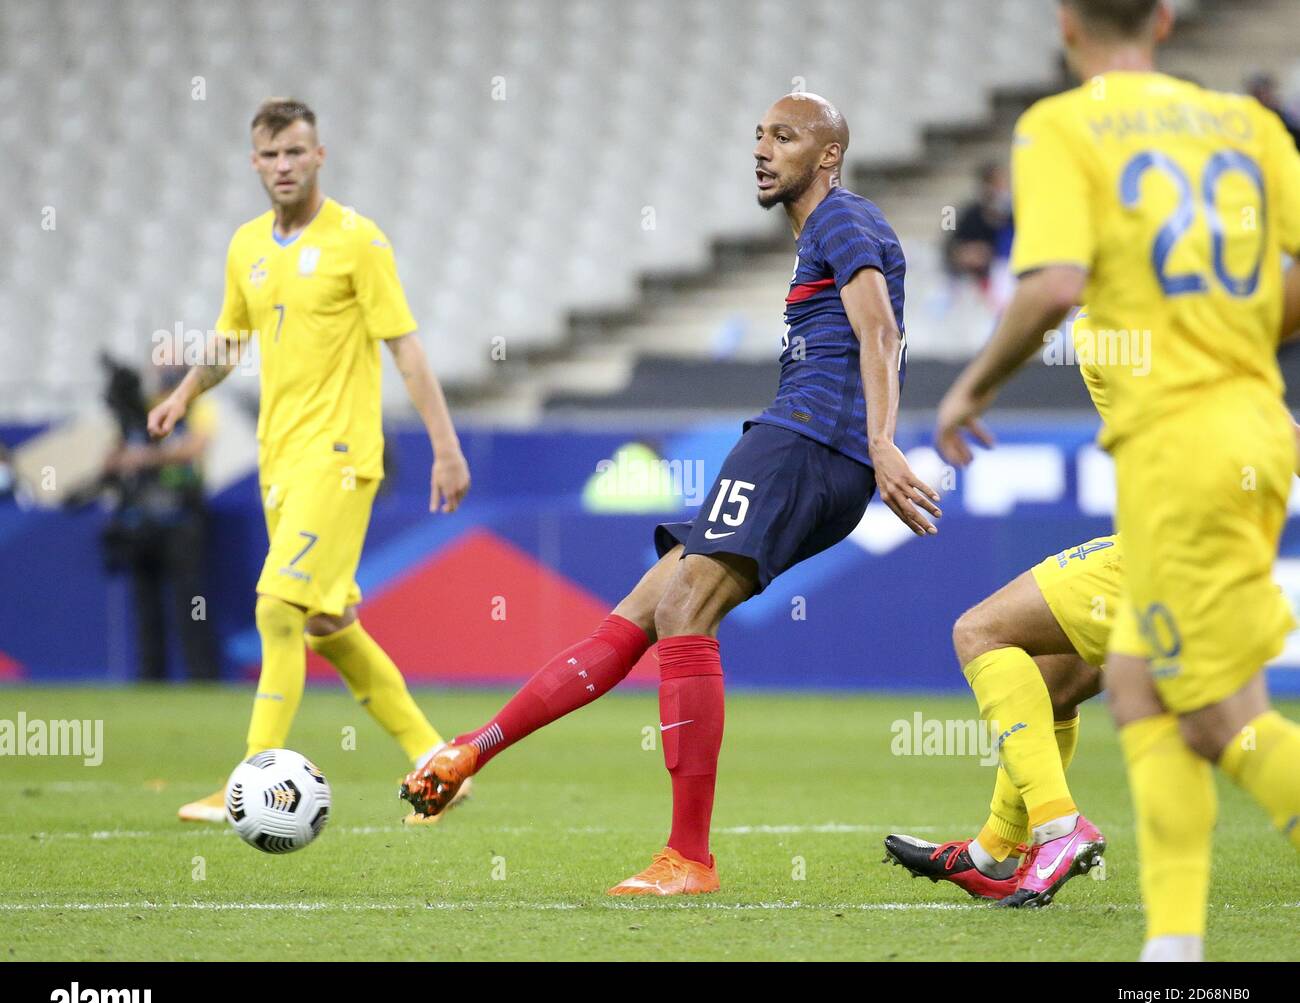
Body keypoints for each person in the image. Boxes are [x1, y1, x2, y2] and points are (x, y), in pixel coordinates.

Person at [401, 93, 940, 895]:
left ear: (828, 156)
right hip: (804, 446)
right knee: (646, 610)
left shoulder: (843, 218)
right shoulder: (815, 239)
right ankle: (471, 749)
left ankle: (689, 858)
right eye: (757, 135)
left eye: (784, 138)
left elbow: (881, 333)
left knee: (687, 609)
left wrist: (881, 441)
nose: (762, 150)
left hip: (807, 443)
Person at [934, 0, 1300, 960]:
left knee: (1214, 713)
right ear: (1169, 20)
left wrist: (969, 388)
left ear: (1065, 23)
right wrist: (1243, 335)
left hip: (1186, 462)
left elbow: (1050, 285)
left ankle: (1063, 842)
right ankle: (1169, 951)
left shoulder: (1064, 129)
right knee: (1140, 687)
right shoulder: (1247, 126)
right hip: (1256, 440)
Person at [148, 98, 471, 824]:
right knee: (330, 624)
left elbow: (406, 347)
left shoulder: (359, 241)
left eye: (297, 152)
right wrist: (184, 395)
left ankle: (246, 787)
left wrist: (445, 447)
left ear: (320, 155)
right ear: (254, 163)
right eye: (271, 155)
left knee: (277, 607)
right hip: (279, 462)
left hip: (341, 456)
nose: (285, 166)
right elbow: (232, 338)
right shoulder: (246, 247)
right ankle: (439, 759)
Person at [104, 349, 220, 681]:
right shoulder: (142, 407)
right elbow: (114, 456)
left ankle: (203, 676)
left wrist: (146, 458)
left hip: (183, 519)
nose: (168, 369)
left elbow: (196, 447)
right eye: (162, 362)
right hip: (141, 520)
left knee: (192, 603)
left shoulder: (198, 404)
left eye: (173, 363)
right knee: (146, 604)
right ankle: (151, 678)